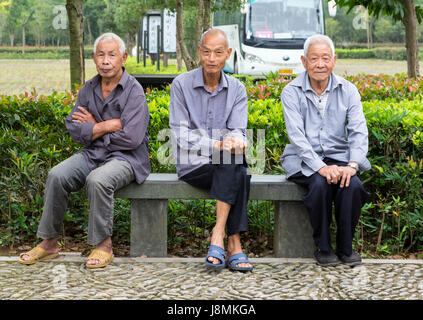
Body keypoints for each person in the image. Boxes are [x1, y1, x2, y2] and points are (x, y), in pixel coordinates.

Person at [18, 33, 150, 268]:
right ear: (93, 57)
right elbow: (74, 129)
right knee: (57, 175)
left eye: (112, 55)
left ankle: (103, 245)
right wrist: (107, 125)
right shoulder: (89, 89)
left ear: (123, 58)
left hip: (126, 158)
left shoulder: (133, 90)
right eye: (101, 55)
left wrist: (94, 130)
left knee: (98, 180)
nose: (105, 61)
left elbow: (132, 138)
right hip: (93, 154)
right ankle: (49, 243)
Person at [280, 34, 370, 267]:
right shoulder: (291, 91)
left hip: (340, 158)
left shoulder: (348, 90)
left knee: (353, 185)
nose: (320, 64)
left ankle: (345, 246)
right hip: (302, 159)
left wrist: (352, 166)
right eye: (314, 58)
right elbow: (297, 137)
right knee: (319, 185)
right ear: (304, 61)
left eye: (325, 58)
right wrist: (321, 167)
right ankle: (323, 246)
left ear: (334, 60)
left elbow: (359, 131)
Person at [169, 28, 253, 272]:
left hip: (225, 161)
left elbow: (238, 130)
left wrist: (237, 140)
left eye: (218, 52)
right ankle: (232, 242)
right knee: (239, 170)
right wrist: (217, 145)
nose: (212, 58)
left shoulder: (236, 89)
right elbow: (180, 134)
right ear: (199, 53)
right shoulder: (181, 85)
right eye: (206, 52)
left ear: (227, 53)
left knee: (234, 160)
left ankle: (220, 236)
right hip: (192, 165)